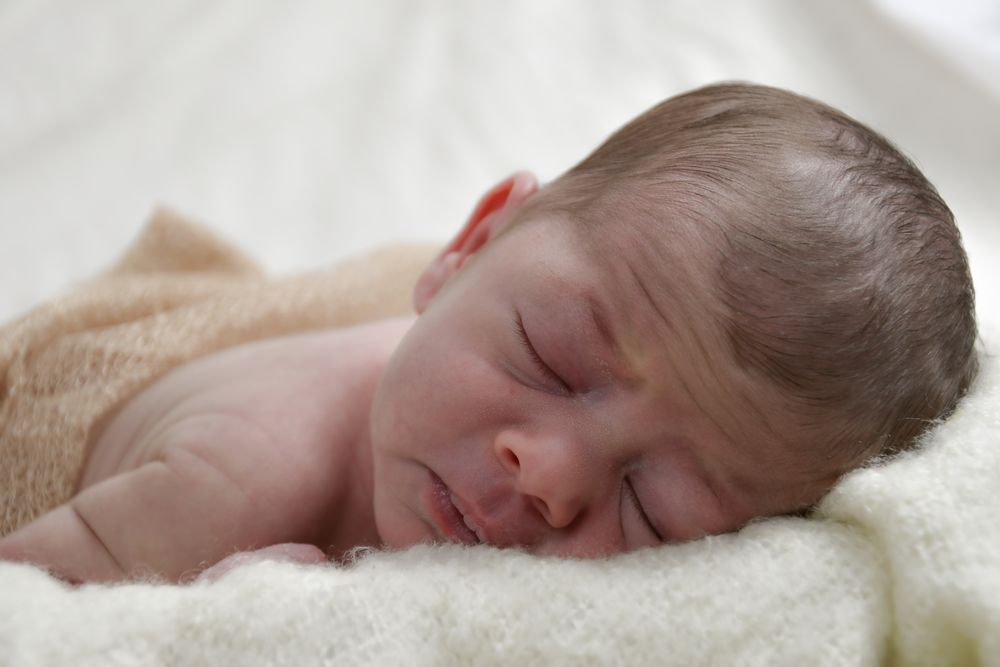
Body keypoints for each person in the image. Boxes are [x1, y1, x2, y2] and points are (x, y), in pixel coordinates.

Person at [0, 82, 978, 584]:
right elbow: (30, 609)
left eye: (657, 507)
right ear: (467, 246)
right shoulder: (235, 474)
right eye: (551, 358)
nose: (548, 476)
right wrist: (219, 622)